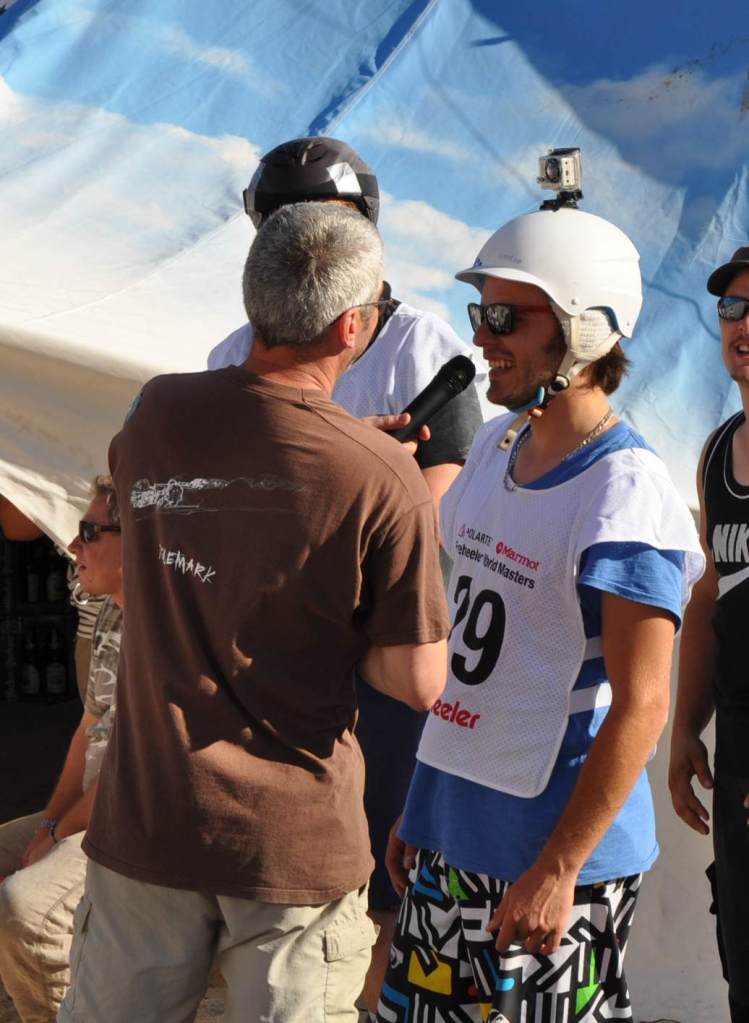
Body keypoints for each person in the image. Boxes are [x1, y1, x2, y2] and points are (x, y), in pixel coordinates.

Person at [59, 202, 449, 1023]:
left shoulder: (156, 414)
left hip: (151, 819)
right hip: (289, 844)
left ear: (253, 299)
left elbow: (217, 500)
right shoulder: (381, 477)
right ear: (352, 325)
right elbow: (417, 680)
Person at [377, 200, 705, 1022]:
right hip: (452, 829)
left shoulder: (624, 492)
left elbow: (643, 703)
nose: (481, 337)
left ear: (584, 330)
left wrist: (559, 867)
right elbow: (474, 662)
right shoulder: (494, 448)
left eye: (504, 317)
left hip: (553, 862)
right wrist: (425, 804)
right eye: (477, 313)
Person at [208, 135, 483, 1011]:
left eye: (324, 218)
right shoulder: (228, 355)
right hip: (272, 667)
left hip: (380, 659)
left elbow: (443, 499)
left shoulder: (418, 341)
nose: (306, 237)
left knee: (379, 881)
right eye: (284, 220)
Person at [0, 476, 122, 1022]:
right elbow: (88, 730)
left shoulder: (168, 631)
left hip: (136, 817)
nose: (72, 546)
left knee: (26, 913)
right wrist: (50, 824)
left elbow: (132, 766)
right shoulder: (112, 612)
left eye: (89, 533)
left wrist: (58, 832)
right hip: (97, 808)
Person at [669, 247, 749, 1023]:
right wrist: (684, 726)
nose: (741, 323)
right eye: (730, 307)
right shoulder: (717, 448)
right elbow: (706, 594)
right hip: (736, 756)